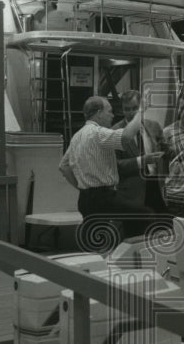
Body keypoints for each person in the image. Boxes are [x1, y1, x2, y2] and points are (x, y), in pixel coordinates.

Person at [59, 95, 147, 248]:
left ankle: (93, 267)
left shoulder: (77, 136)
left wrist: (81, 187)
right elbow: (126, 136)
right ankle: (133, 258)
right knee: (145, 215)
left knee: (93, 242)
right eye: (110, 111)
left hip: (85, 199)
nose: (113, 115)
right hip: (104, 197)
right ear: (99, 113)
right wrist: (141, 112)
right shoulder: (98, 133)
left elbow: (63, 167)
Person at [113, 89, 168, 236]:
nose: (130, 113)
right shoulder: (116, 132)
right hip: (132, 196)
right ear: (122, 109)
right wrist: (141, 161)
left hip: (157, 189)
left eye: (134, 108)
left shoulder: (154, 126)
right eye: (127, 109)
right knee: (135, 239)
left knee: (161, 237)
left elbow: (166, 151)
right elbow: (116, 165)